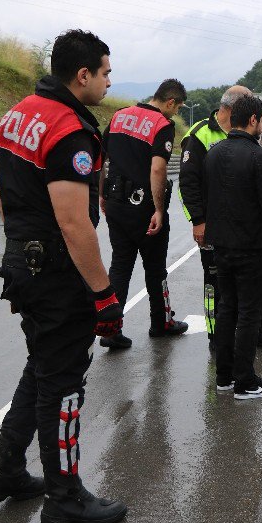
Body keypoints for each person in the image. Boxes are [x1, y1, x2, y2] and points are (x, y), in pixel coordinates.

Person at [0, 29, 127, 523]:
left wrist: (19, 246)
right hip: (57, 274)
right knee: (63, 384)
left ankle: (7, 469)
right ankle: (64, 497)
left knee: (41, 366)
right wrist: (103, 294)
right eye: (105, 73)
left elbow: (3, 192)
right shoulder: (68, 131)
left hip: (23, 259)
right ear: (81, 75)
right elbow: (73, 221)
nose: (109, 81)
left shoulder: (17, 114)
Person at [178, 85, 262, 353]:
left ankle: (259, 331)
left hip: (246, 229)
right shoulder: (200, 134)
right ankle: (217, 336)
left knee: (254, 283)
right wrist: (198, 221)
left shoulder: (244, 134)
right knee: (215, 286)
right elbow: (188, 183)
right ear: (233, 107)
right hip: (214, 228)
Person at [204, 95, 262, 399]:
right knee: (249, 314)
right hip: (252, 250)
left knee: (227, 309)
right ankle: (246, 382)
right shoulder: (259, 158)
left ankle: (225, 377)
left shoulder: (213, 154)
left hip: (221, 247)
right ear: (253, 120)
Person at [99, 79, 189, 348]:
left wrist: (102, 195)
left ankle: (111, 329)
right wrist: (159, 209)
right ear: (170, 102)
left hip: (115, 203)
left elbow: (101, 158)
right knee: (155, 268)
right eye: (178, 107)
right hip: (143, 208)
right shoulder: (162, 125)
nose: (176, 113)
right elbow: (158, 169)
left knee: (121, 265)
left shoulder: (118, 116)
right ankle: (160, 323)